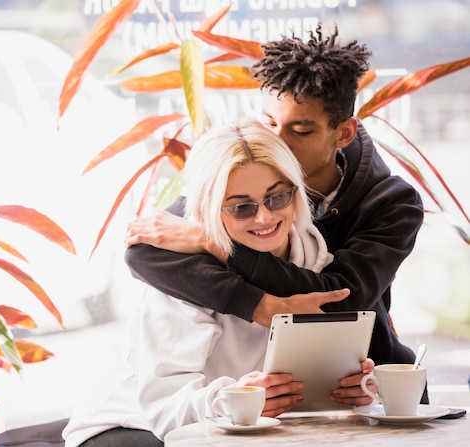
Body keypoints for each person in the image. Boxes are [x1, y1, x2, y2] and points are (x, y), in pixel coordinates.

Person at [124, 24, 425, 383]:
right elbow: (145, 251)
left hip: (366, 381)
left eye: (300, 131)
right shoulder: (243, 168)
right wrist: (261, 306)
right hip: (273, 382)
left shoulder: (392, 203)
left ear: (343, 133)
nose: (275, 141)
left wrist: (211, 243)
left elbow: (338, 303)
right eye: (268, 122)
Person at [62, 117, 375, 447]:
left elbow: (302, 396)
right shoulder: (185, 275)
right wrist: (235, 399)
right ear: (208, 208)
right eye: (241, 207)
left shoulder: (316, 265)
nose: (264, 217)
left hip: (229, 426)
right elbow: (165, 410)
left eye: (277, 197)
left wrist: (352, 389)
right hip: (127, 426)